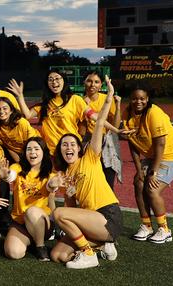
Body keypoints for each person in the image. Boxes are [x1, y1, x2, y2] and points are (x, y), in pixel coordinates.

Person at [49, 76, 121, 269]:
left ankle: (89, 254)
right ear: (60, 151)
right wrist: (60, 191)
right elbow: (71, 206)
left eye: (73, 143)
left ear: (79, 148)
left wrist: (109, 98)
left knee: (58, 214)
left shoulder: (90, 156)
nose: (69, 147)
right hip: (89, 220)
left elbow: (99, 124)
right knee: (58, 255)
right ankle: (100, 245)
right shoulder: (65, 173)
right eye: (64, 145)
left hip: (107, 216)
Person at [124, 87, 173, 244]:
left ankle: (164, 230)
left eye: (142, 98)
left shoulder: (154, 113)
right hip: (154, 155)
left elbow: (160, 144)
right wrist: (139, 169)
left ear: (147, 99)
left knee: (152, 188)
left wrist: (153, 171)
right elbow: (132, 143)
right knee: (138, 183)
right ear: (130, 99)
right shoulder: (127, 114)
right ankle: (146, 226)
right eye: (134, 98)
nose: (138, 101)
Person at [9, 70, 122, 154]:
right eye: (51, 79)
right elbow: (28, 115)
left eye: (58, 78)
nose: (54, 82)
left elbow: (95, 117)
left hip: (70, 150)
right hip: (51, 152)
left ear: (64, 81)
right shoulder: (45, 104)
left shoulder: (75, 99)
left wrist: (116, 130)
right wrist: (20, 96)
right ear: (47, 84)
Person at [0, 137, 56, 261]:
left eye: (36, 149)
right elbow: (10, 176)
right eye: (29, 149)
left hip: (41, 223)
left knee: (32, 211)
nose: (32, 152)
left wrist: (54, 183)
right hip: (20, 223)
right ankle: (30, 240)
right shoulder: (18, 168)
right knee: (13, 253)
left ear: (43, 152)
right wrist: (5, 174)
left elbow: (51, 185)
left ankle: (40, 246)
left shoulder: (49, 175)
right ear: (25, 153)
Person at [81, 72, 123, 190]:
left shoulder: (106, 99)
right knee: (89, 178)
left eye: (96, 82)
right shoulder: (79, 101)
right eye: (89, 81)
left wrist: (118, 105)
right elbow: (82, 130)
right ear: (84, 82)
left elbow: (115, 125)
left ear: (101, 85)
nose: (92, 84)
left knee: (108, 177)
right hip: (89, 142)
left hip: (106, 141)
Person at [0, 97, 40, 163]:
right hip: (17, 154)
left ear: (11, 111)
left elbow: (32, 144)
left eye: (5, 108)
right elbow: (7, 146)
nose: (1, 112)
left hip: (34, 149)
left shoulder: (21, 122)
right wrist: (18, 161)